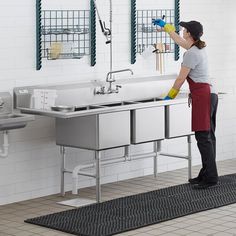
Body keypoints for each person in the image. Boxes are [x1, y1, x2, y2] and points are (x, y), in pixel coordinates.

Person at [152, 19, 218, 189]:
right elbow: (179, 41)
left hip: (203, 95)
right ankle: (207, 173)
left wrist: (169, 97)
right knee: (207, 137)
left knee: (203, 138)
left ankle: (210, 178)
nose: (182, 31)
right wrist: (165, 27)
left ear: (189, 33)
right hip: (208, 93)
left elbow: (180, 79)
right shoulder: (197, 47)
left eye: (184, 29)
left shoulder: (192, 53)